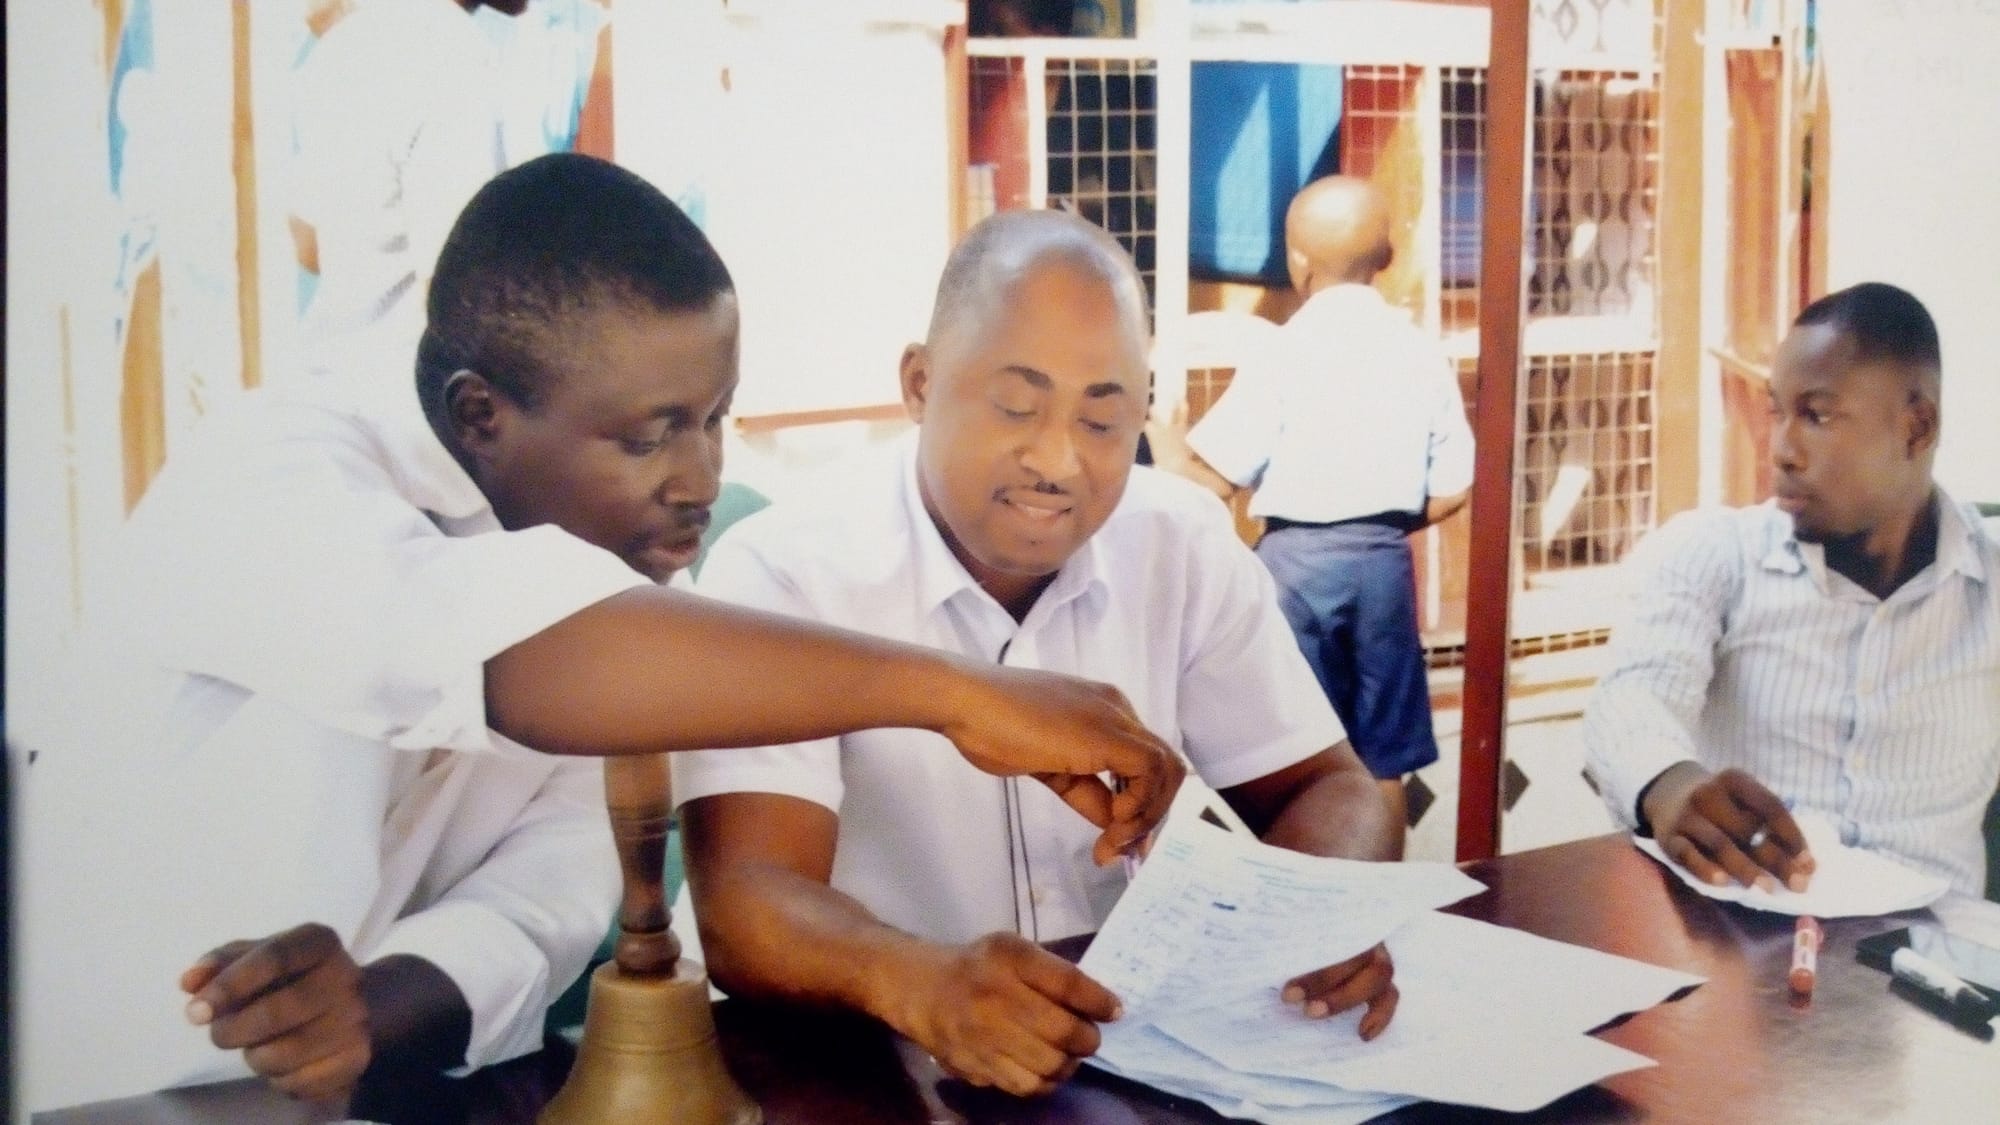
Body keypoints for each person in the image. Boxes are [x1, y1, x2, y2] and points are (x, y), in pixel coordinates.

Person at [20, 155, 1181, 1112]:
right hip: (120, 1087)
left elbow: (541, 897)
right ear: (481, 415)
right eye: (648, 436)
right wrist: (960, 695)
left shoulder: (607, 595)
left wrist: (367, 1011)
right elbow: (511, 661)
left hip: (372, 1087)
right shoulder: (274, 483)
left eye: (715, 420)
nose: (700, 478)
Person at [672, 209, 1402, 1100]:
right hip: (855, 1073)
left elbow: (1330, 787)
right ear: (919, 383)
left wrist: (1314, 917)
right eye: (1017, 407)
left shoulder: (1179, 540)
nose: (1057, 460)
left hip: (1121, 1062)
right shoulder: (785, 569)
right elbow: (744, 900)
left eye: (1103, 422)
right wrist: (919, 981)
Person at [1583, 282, 2000, 897]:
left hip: (1942, 944)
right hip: (1750, 930)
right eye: (1777, 412)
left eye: (1817, 415)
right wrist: (1668, 782)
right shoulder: (1716, 553)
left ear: (1917, 427)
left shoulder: (1989, 580)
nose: (1781, 450)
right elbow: (1632, 696)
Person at [1147, 175, 1473, 824]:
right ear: (1387, 256)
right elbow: (1453, 489)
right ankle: (1378, 885)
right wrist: (1373, 524)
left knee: (1292, 752)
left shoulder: (1285, 351)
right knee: (1382, 758)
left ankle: (1303, 883)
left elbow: (1216, 480)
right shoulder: (1419, 352)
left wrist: (1166, 445)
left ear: (1298, 262)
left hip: (1297, 571)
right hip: (1383, 566)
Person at [289, 0, 526, 387]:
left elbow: (309, 247)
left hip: (330, 380)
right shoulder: (452, 53)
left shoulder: (340, 46)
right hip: (407, 396)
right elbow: (458, 287)